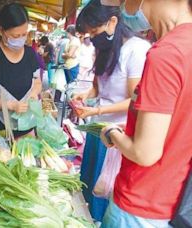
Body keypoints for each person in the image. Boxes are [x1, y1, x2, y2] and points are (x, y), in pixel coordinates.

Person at [97, 0, 192, 227]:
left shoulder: (166, 55)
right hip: (175, 206)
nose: (123, 6)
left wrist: (112, 133)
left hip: (139, 207)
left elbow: (145, 152)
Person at [73, 0, 151, 222]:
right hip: (98, 129)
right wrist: (86, 95)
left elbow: (134, 101)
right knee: (88, 183)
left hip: (117, 135)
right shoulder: (104, 48)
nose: (92, 38)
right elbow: (99, 86)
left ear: (112, 22)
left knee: (104, 190)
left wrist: (97, 111)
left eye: (94, 31)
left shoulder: (136, 50)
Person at [0, 3, 42, 138]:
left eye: (24, 34)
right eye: (15, 35)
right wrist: (10, 105)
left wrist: (33, 94)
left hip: (27, 126)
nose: (20, 39)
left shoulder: (30, 54)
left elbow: (37, 83)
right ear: (1, 31)